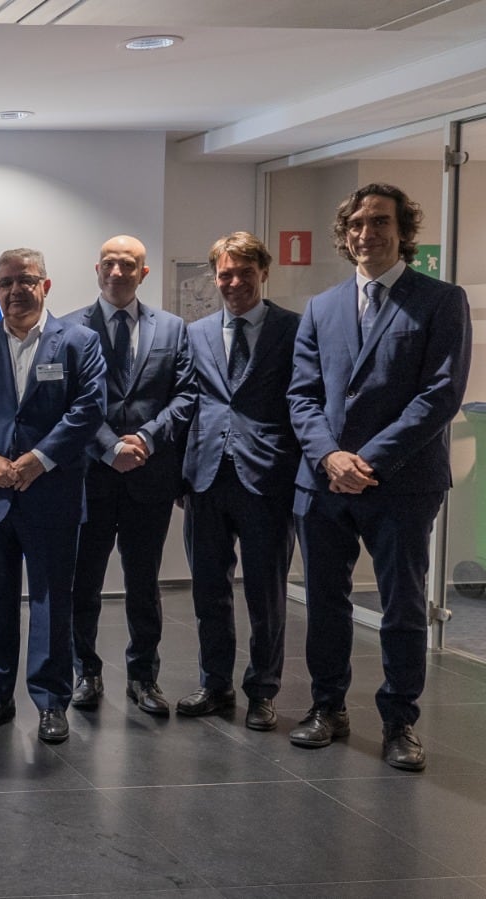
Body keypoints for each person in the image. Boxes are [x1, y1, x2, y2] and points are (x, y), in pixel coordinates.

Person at [287, 183, 471, 771]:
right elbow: (302, 395)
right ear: (345, 234)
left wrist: (367, 459)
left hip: (403, 482)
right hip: (324, 484)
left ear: (403, 231)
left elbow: (440, 394)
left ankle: (399, 722)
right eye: (359, 223)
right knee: (326, 601)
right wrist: (330, 458)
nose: (369, 233)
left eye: (381, 221)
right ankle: (327, 707)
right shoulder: (322, 307)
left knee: (402, 605)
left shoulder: (440, 301)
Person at [0, 248, 106, 744]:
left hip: (52, 493)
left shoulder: (80, 341)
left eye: (26, 280)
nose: (16, 290)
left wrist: (40, 459)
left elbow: (89, 407)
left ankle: (51, 701)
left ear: (46, 285)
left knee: (51, 603)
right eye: (6, 282)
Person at [60, 236, 196, 716]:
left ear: (144, 272)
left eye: (129, 264)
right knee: (84, 583)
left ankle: (143, 676)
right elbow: (69, 402)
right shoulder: (67, 328)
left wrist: (146, 439)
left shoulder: (174, 329)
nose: (118, 272)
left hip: (148, 476)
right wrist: (109, 446)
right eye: (110, 264)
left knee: (144, 583)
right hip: (89, 478)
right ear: (97, 269)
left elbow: (185, 395)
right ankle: (86, 672)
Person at [176, 232, 301, 732]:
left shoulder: (293, 329)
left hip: (269, 479)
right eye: (225, 274)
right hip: (205, 478)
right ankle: (215, 683)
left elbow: (304, 401)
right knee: (209, 590)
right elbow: (190, 401)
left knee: (265, 594)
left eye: (243, 273)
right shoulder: (197, 332)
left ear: (263, 273)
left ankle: (263, 690)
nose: (233, 282)